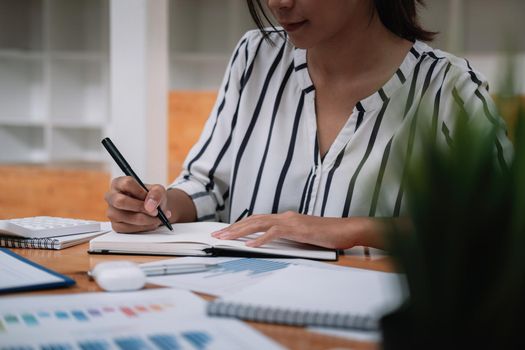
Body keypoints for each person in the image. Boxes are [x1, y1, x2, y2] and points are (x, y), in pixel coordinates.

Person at [105, 0, 512, 250]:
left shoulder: (447, 87)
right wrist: (158, 206)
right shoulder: (255, 56)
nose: (279, 3)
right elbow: (210, 185)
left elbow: (502, 226)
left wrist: (352, 230)